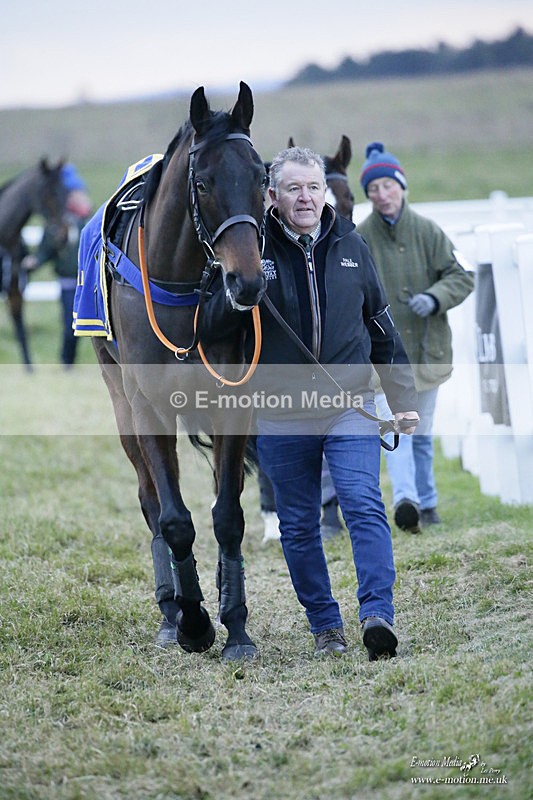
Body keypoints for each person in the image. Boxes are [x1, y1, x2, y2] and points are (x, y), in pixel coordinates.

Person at [203, 146, 419, 659]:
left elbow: (382, 328)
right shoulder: (250, 250)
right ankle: (326, 627)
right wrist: (235, 296)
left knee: (363, 504)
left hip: (351, 403)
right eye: (294, 188)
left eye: (313, 187)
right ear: (272, 196)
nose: (305, 197)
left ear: (326, 193)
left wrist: (401, 399)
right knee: (298, 524)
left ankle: (376, 615)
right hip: (281, 409)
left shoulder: (352, 245)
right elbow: (210, 328)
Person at [357, 142, 475, 533]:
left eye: (388, 186)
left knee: (421, 434)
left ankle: (429, 504)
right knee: (397, 431)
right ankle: (405, 500)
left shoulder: (428, 231)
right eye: (374, 189)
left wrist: (434, 297)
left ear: (402, 186)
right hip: (384, 360)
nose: (382, 195)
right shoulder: (360, 238)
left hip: (427, 351)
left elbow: (462, 275)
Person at [23, 163, 92, 367]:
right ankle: (66, 363)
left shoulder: (90, 220)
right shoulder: (57, 225)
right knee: (71, 327)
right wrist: (35, 261)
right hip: (68, 283)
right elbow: (47, 250)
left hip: (89, 283)